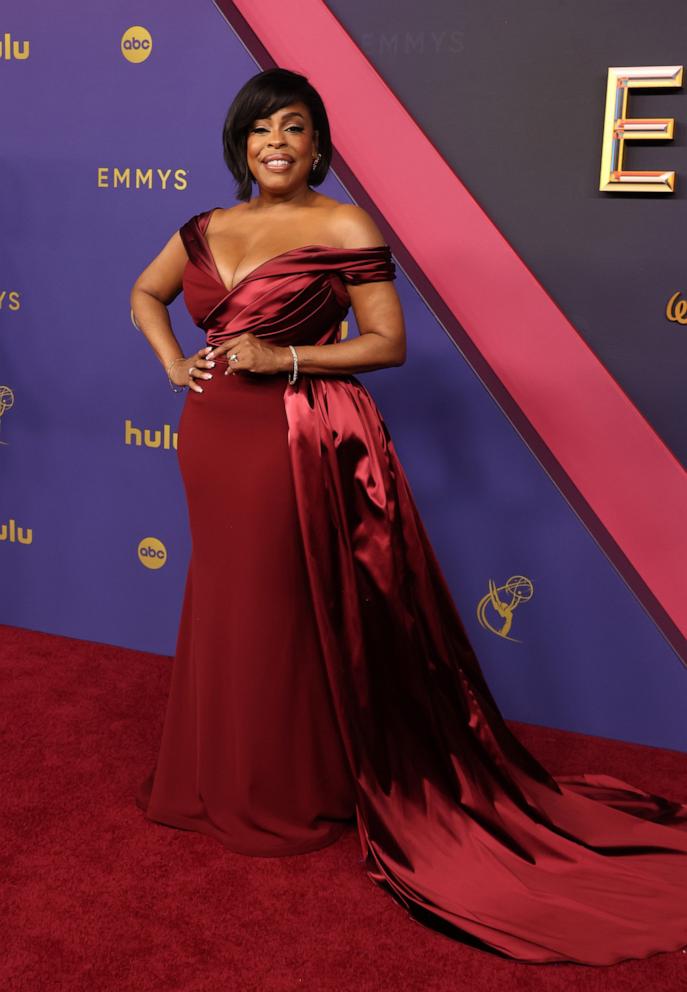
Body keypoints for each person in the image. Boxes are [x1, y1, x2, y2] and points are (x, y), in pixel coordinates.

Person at [130, 67, 687, 966]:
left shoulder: (343, 224)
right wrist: (169, 360)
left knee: (279, 606)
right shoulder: (203, 228)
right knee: (227, 597)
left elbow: (385, 343)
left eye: (296, 127)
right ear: (241, 143)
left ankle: (290, 787)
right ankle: (212, 778)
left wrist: (288, 357)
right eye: (260, 127)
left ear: (318, 144)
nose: (277, 141)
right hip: (212, 435)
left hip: (293, 433)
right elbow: (146, 295)